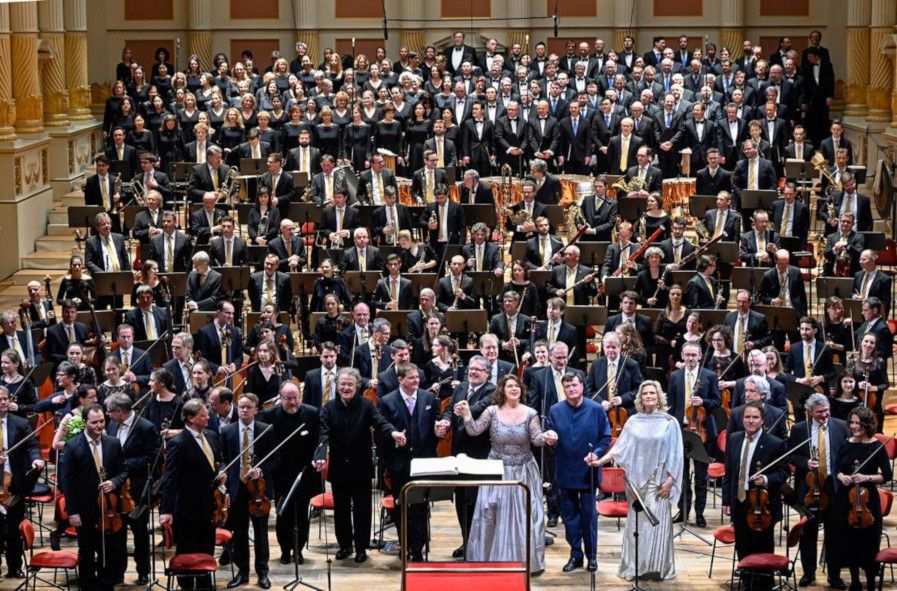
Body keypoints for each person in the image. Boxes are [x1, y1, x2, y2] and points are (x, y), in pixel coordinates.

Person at [454, 374, 556, 573]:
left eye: (517, 386)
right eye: (509, 386)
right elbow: (474, 431)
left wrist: (546, 436)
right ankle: (491, 561)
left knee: (525, 515)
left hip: (523, 471)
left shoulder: (530, 413)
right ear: (502, 390)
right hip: (496, 471)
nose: (514, 389)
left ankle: (526, 562)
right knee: (492, 513)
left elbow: (536, 438)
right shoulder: (491, 411)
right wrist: (466, 414)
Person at [591, 381, 683, 581]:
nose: (649, 396)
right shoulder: (633, 421)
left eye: (652, 393)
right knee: (637, 527)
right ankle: (636, 567)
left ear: (659, 396)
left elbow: (677, 454)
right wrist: (599, 461)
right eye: (645, 393)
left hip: (659, 482)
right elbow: (619, 448)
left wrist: (670, 481)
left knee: (657, 526)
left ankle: (658, 568)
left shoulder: (670, 422)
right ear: (640, 398)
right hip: (635, 482)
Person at [313, 368, 404, 563]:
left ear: (357, 386)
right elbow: (323, 434)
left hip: (361, 465)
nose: (346, 387)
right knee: (342, 511)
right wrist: (320, 455)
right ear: (337, 386)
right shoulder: (328, 408)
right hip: (339, 466)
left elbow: (381, 423)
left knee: (363, 510)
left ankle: (361, 547)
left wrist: (393, 433)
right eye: (342, 384)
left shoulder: (367, 405)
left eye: (350, 384)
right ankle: (345, 545)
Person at [377, 363, 447, 563]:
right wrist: (394, 440)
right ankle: (405, 544)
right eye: (411, 378)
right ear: (400, 380)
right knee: (401, 507)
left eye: (417, 377)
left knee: (421, 506)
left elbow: (436, 421)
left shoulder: (429, 398)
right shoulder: (387, 401)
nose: (416, 381)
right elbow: (383, 430)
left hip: (424, 461)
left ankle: (418, 547)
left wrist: (438, 430)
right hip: (399, 463)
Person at [544, 371, 611, 573]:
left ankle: (592, 556)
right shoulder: (555, 410)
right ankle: (576, 555)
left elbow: (605, 438)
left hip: (588, 470)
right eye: (567, 386)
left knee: (589, 517)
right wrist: (551, 441)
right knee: (570, 517)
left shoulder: (596, 409)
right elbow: (551, 441)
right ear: (563, 389)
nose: (571, 389)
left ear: (582, 386)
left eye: (574, 385)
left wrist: (596, 454)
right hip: (565, 470)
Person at [58, 404, 127, 590]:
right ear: (85, 422)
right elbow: (67, 482)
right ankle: (87, 585)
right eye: (94, 422)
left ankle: (106, 585)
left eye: (102, 421)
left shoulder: (113, 443)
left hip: (109, 508)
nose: (99, 426)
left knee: (109, 552)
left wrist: (113, 482)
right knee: (87, 552)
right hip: (85, 508)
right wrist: (72, 511)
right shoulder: (73, 446)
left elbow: (123, 471)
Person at [722, 400, 789, 591]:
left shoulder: (774, 443)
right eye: (747, 417)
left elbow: (784, 473)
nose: (750, 421)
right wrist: (727, 500)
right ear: (742, 419)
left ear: (762, 420)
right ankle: (746, 582)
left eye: (755, 417)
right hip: (740, 501)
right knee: (742, 546)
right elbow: (730, 472)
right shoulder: (734, 438)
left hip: (762, 505)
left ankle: (764, 584)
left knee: (762, 547)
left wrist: (767, 479)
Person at [159, 398, 224, 591]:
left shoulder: (211, 436)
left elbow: (216, 463)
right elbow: (170, 479)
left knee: (207, 548)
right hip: (187, 508)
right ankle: (186, 585)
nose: (208, 417)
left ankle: (204, 585)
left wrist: (221, 478)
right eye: (203, 415)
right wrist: (166, 510)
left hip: (210, 505)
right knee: (188, 549)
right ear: (191, 418)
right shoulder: (178, 443)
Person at [788, 393, 849, 588]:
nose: (825, 415)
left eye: (827, 411)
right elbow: (791, 455)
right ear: (810, 412)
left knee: (834, 533)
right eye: (820, 412)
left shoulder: (840, 426)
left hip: (833, 485)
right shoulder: (799, 429)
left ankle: (834, 575)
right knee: (808, 533)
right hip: (808, 485)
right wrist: (805, 462)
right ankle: (808, 573)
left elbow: (846, 456)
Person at [260, 382, 321, 565]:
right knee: (283, 513)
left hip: (304, 473)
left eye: (296, 398)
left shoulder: (311, 413)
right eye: (288, 399)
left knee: (302, 513)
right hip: (280, 474)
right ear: (280, 398)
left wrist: (316, 458)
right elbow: (266, 446)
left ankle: (299, 549)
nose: (293, 402)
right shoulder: (270, 415)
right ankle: (285, 550)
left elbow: (317, 441)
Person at [220, 393, 277, 589]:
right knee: (240, 533)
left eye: (248, 407)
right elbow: (225, 461)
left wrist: (262, 469)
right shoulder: (227, 431)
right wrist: (225, 487)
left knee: (261, 533)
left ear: (256, 409)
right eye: (241, 407)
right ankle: (242, 573)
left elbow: (275, 459)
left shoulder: (266, 430)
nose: (244, 410)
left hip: (258, 491)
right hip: (237, 488)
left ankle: (263, 573)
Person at [834, 407, 892, 591]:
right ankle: (855, 582)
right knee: (849, 540)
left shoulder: (877, 446)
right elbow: (836, 469)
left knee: (868, 541)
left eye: (858, 423)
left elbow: (887, 475)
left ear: (867, 424)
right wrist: (841, 476)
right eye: (852, 423)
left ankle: (869, 582)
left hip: (867, 500)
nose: (854, 426)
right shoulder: (845, 444)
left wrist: (867, 477)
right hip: (846, 499)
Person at [104, 393, 159, 586]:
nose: (107, 414)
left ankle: (143, 571)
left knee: (140, 533)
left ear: (120, 412)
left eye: (110, 411)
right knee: (116, 531)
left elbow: (153, 458)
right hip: (114, 489)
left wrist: (125, 464)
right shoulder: (111, 425)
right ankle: (118, 571)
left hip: (136, 488)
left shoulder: (146, 427)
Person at [0, 387, 44, 579]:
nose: (2, 402)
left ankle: (14, 567)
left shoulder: (20, 423)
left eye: (4, 399)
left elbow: (32, 446)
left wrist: (36, 459)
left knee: (14, 527)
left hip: (15, 482)